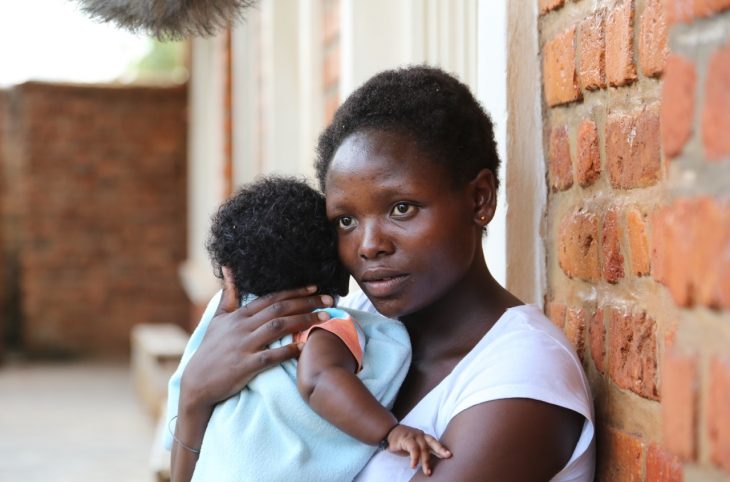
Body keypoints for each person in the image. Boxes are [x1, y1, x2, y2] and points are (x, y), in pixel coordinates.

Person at [171, 66, 595, 481]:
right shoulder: (349, 321)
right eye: (346, 221)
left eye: (402, 208)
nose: (369, 245)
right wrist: (195, 395)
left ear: (479, 199)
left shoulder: (519, 375)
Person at [166, 176, 450, 482]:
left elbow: (185, 408)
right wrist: (389, 431)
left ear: (230, 275)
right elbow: (319, 379)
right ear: (336, 270)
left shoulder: (221, 326)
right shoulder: (322, 324)